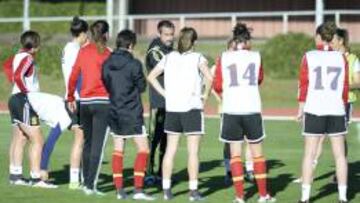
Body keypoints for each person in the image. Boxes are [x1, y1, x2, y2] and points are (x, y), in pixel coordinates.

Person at [147, 27, 213, 201]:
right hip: (192, 108)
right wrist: (205, 96)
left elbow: (151, 76)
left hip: (173, 109)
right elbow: (210, 77)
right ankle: (193, 192)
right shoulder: (198, 57)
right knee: (193, 152)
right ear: (194, 42)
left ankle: (167, 191)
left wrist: (165, 93)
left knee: (170, 150)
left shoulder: (168, 57)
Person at [213, 23, 275, 203]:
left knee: (235, 155)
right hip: (251, 109)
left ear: (234, 40)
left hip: (231, 109)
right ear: (247, 40)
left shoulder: (223, 57)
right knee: (257, 154)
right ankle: (263, 195)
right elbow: (260, 79)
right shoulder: (256, 56)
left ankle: (240, 197)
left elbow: (217, 85)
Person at [297, 22, 348, 203]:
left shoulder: (308, 56)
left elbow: (304, 85)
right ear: (333, 37)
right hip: (335, 109)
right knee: (340, 155)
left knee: (309, 154)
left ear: (319, 37)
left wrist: (300, 108)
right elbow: (344, 87)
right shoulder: (341, 57)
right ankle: (342, 197)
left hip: (314, 109)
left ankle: (305, 198)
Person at [102, 29, 155, 201]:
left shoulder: (107, 62)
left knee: (118, 149)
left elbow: (106, 83)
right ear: (131, 45)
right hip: (132, 112)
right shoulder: (134, 64)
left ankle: (119, 191)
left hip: (114, 110)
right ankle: (138, 190)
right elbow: (142, 87)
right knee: (144, 149)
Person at [67, 20, 111, 195]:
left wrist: (70, 96)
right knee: (97, 146)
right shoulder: (109, 53)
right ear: (106, 34)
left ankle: (87, 183)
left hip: (84, 103)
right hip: (103, 103)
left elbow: (73, 75)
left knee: (88, 143)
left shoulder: (83, 52)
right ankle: (91, 185)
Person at [7, 31, 55, 188]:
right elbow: (18, 76)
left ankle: (15, 175)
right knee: (38, 139)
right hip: (24, 100)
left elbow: (13, 73)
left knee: (19, 138)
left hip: (15, 99)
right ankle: (37, 179)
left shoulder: (18, 55)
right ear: (35, 45)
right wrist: (27, 94)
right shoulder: (28, 58)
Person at [212, 38, 255, 185]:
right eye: (232, 49)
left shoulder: (244, 63)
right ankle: (229, 171)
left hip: (245, 106)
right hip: (227, 108)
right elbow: (213, 86)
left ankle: (249, 170)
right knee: (229, 142)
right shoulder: (221, 63)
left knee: (249, 139)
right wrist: (222, 97)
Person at [145, 20, 175, 185]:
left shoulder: (170, 49)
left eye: (171, 34)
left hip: (171, 103)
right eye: (166, 34)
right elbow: (166, 68)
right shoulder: (154, 50)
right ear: (159, 34)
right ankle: (148, 172)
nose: (170, 38)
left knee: (167, 140)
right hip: (158, 102)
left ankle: (163, 172)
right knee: (153, 139)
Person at [61, 16, 88, 190]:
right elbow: (75, 75)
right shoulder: (74, 50)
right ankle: (74, 180)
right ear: (83, 33)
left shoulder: (67, 48)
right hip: (75, 99)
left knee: (82, 139)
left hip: (72, 97)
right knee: (80, 139)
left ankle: (79, 178)